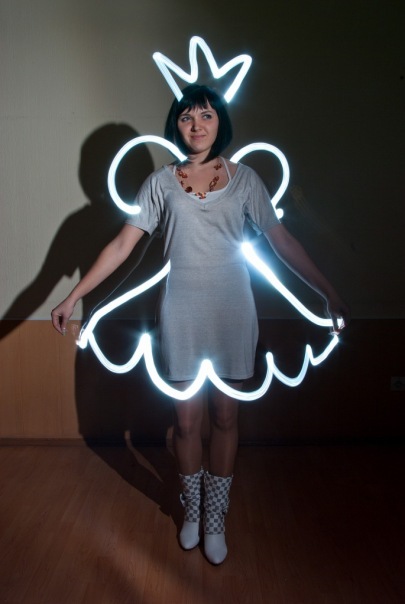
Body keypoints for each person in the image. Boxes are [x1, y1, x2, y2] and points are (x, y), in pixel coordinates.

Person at [51, 84, 350, 565]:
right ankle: (192, 510)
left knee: (226, 417)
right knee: (186, 421)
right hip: (180, 313)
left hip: (233, 313)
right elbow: (123, 246)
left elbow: (283, 242)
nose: (196, 125)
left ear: (220, 122)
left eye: (206, 115)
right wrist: (73, 296)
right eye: (187, 116)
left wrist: (327, 292)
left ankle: (216, 518)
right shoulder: (160, 183)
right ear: (177, 124)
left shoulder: (246, 179)